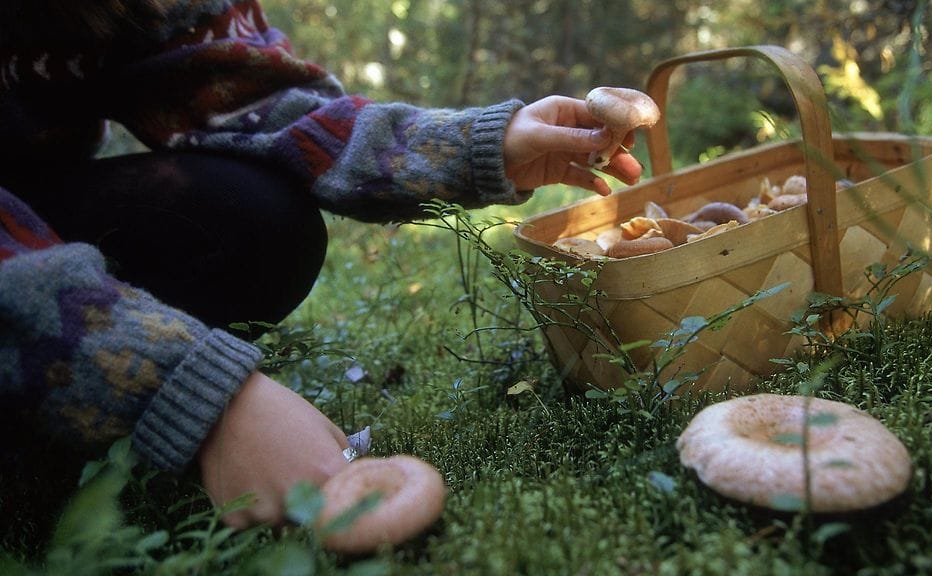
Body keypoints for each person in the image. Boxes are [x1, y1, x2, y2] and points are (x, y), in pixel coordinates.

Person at [0, 0, 643, 528]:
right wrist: (185, 391)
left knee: (255, 219)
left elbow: (259, 102)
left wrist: (480, 144)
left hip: (40, 195)